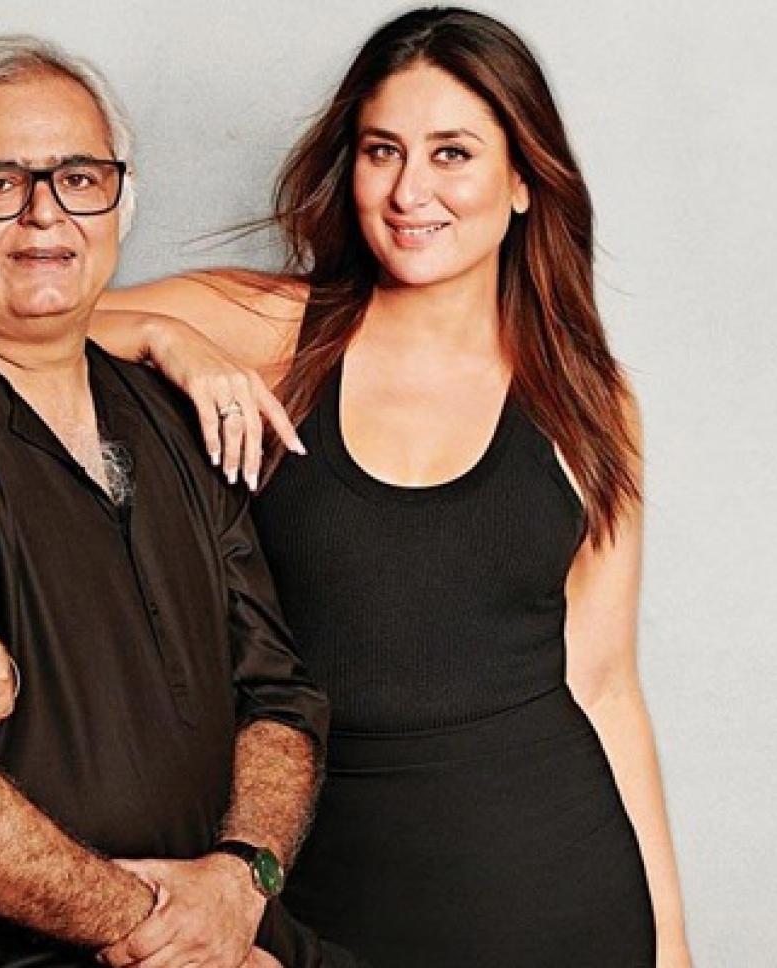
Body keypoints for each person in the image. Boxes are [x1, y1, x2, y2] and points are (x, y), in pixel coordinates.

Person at [77, 7, 689, 967]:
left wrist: (673, 944)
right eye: (382, 152)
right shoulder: (275, 330)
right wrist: (170, 338)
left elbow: (607, 687)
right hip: (320, 901)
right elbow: (5, 315)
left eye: (453, 154)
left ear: (524, 181)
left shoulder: (586, 397)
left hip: (564, 893)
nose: (410, 191)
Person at [0, 35, 335, 968]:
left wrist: (240, 882)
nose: (45, 214)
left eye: (79, 178)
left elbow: (278, 696)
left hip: (234, 931)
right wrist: (163, 933)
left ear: (120, 201)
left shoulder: (165, 411)